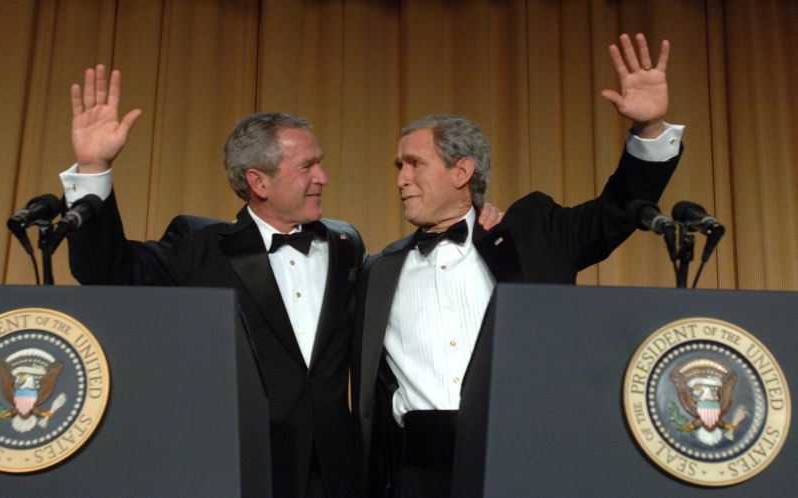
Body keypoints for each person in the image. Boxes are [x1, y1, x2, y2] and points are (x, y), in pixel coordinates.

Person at [59, 65, 503, 497]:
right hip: (243, 466)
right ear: (259, 181)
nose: (323, 177)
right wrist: (93, 169)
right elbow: (106, 269)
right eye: (307, 166)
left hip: (339, 474)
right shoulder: (200, 245)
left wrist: (480, 223)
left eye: (320, 164)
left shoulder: (347, 245)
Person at [355, 33, 684, 497]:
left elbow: (617, 209)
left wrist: (649, 130)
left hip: (525, 461)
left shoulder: (533, 233)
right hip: (418, 473)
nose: (402, 179)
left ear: (461, 171)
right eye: (398, 167)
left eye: (413, 163)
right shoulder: (378, 271)